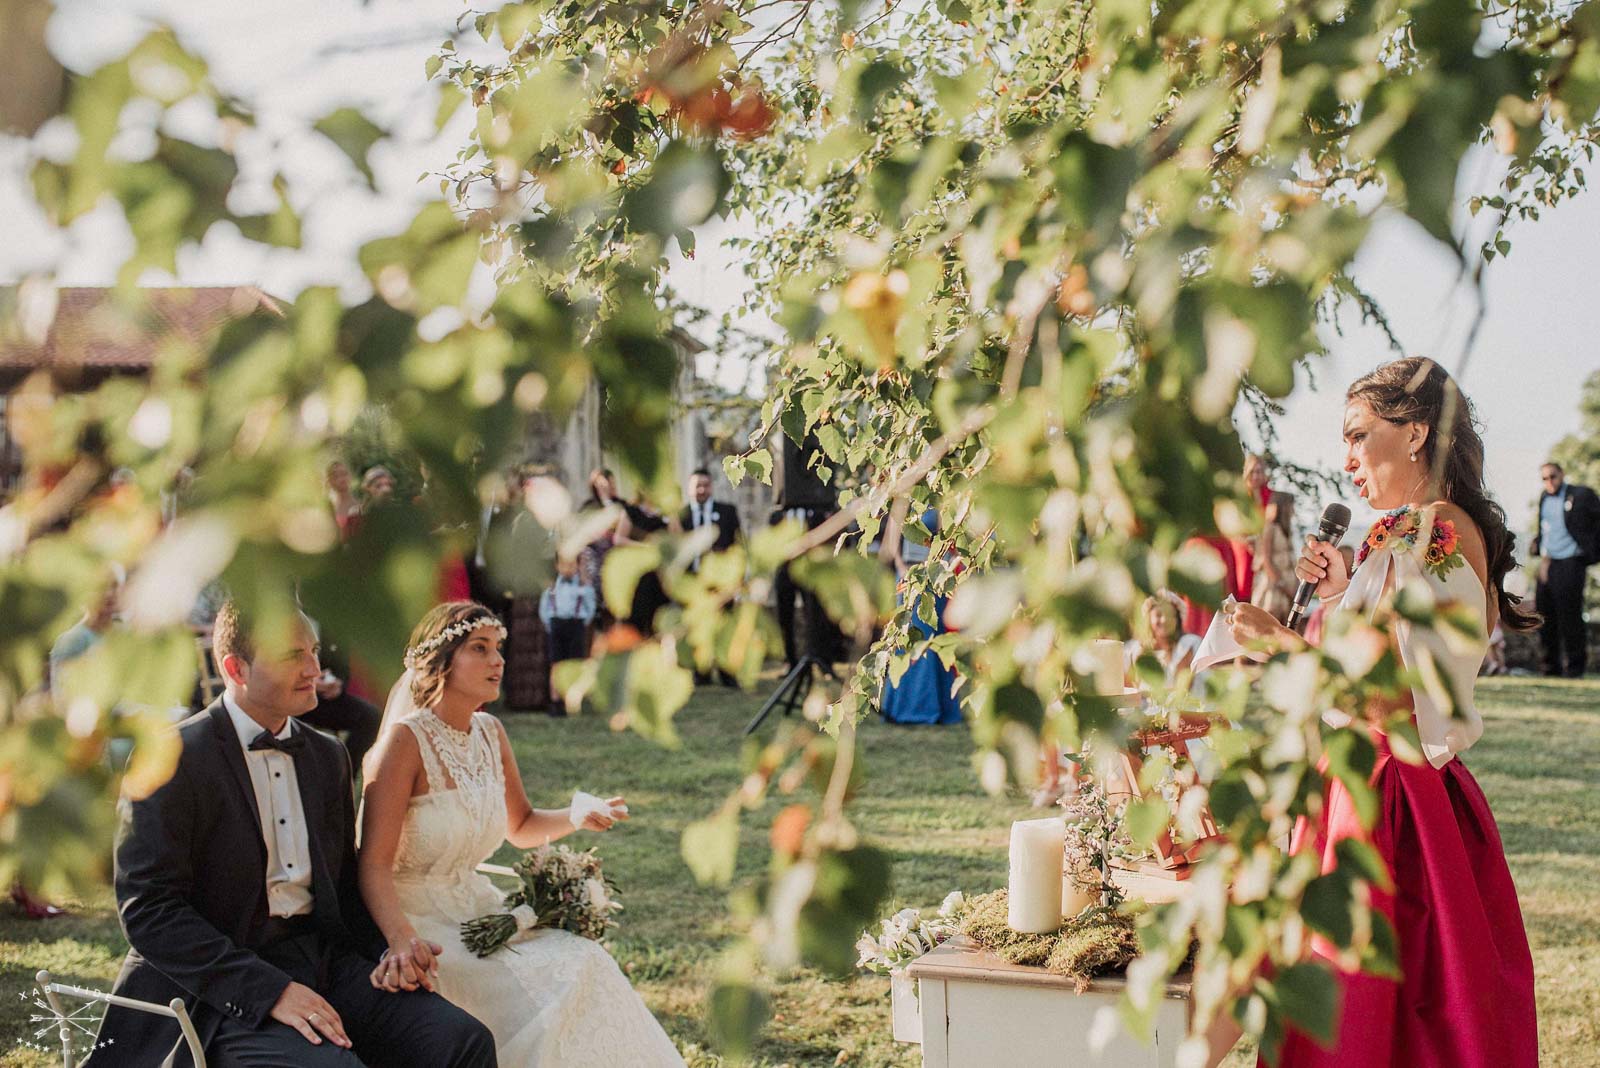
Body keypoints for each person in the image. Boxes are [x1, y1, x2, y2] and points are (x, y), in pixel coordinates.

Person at [1217, 357, 1538, 1068]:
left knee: (1364, 1022)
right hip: (1354, 789)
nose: (1348, 459)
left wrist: (1282, 649)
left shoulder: (1440, 534)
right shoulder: (1401, 533)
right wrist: (1336, 601)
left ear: (1417, 432)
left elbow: (1395, 695)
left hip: (1394, 810)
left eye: (1360, 436)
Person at [92, 600, 496, 1068]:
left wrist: (391, 950)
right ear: (234, 668)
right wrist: (270, 991)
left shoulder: (327, 757)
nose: (314, 668)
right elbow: (149, 911)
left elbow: (343, 887)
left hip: (325, 962)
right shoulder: (170, 757)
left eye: (314, 650)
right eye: (292, 655)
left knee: (463, 1042)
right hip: (217, 987)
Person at [358, 602, 685, 1066]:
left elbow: (523, 824)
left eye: (499, 649)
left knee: (587, 961)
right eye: (480, 648)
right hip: (421, 926)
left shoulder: (491, 732)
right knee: (548, 997)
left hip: (479, 909)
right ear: (443, 662)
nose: (499, 661)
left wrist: (576, 814)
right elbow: (371, 864)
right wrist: (402, 940)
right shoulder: (405, 742)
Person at [1531, 461, 1599, 677]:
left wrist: (1591, 551)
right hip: (1548, 562)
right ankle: (1550, 668)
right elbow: (1545, 528)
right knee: (1544, 615)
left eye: (1553, 476)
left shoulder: (1581, 495)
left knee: (1570, 617)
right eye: (1545, 478)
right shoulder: (1543, 498)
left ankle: (1575, 668)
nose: (1549, 482)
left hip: (1571, 561)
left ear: (1562, 475)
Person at [539, 555, 595, 705]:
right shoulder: (551, 587)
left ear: (577, 566)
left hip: (576, 625)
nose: (567, 568)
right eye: (564, 565)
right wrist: (550, 625)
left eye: (571, 565)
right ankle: (555, 700)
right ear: (557, 566)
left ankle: (572, 700)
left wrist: (581, 623)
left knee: (575, 663)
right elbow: (544, 609)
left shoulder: (584, 587)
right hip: (556, 625)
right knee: (556, 663)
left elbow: (590, 608)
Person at [1125, 591, 1203, 690]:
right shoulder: (1135, 648)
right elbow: (1132, 685)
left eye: (1170, 615)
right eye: (1158, 615)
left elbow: (1184, 687)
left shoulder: (1188, 643)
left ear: (1177, 620)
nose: (1164, 620)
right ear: (1149, 618)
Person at [677, 468, 742, 568]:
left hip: (720, 576)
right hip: (689, 578)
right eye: (697, 485)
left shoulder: (728, 512)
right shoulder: (679, 516)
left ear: (711, 486)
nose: (702, 490)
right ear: (689, 488)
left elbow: (737, 545)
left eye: (706, 485)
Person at [1250, 488, 1298, 622]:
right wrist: (1282, 584)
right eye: (1290, 506)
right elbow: (1266, 560)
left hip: (1286, 588)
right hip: (1272, 587)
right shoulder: (1269, 528)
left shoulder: (1286, 530)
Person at [327, 460, 361, 541]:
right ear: (330, 481)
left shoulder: (361, 506)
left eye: (344, 474)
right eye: (336, 476)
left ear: (350, 477)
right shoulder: (328, 509)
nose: (341, 479)